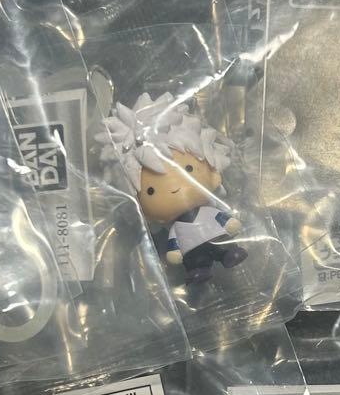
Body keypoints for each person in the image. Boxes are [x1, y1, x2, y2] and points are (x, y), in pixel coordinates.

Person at [98, 92, 247, 285]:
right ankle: (199, 269)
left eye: (188, 169)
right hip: (193, 250)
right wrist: (175, 251)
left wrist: (229, 223)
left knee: (221, 245)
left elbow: (220, 217)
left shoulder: (208, 211)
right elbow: (174, 242)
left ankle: (228, 253)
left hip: (216, 235)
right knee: (195, 259)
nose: (174, 188)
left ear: (213, 170)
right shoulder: (175, 226)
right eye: (151, 190)